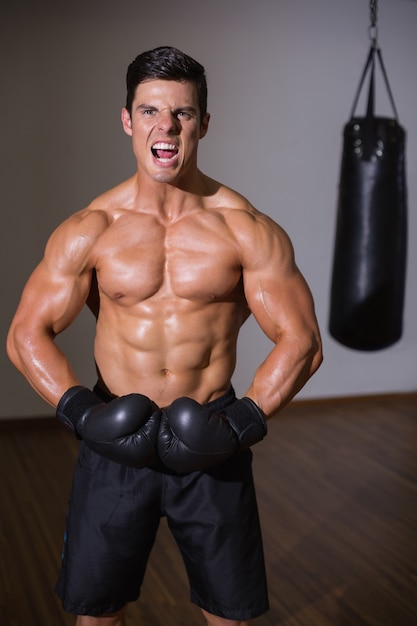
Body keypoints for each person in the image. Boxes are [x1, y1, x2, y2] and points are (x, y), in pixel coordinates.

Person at [7, 46, 322, 626]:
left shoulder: (245, 230)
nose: (166, 127)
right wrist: (82, 414)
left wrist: (242, 422)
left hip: (212, 438)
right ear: (127, 120)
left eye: (182, 112)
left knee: (232, 615)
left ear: (204, 122)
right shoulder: (92, 228)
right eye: (150, 111)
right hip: (112, 442)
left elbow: (302, 341)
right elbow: (27, 333)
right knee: (96, 613)